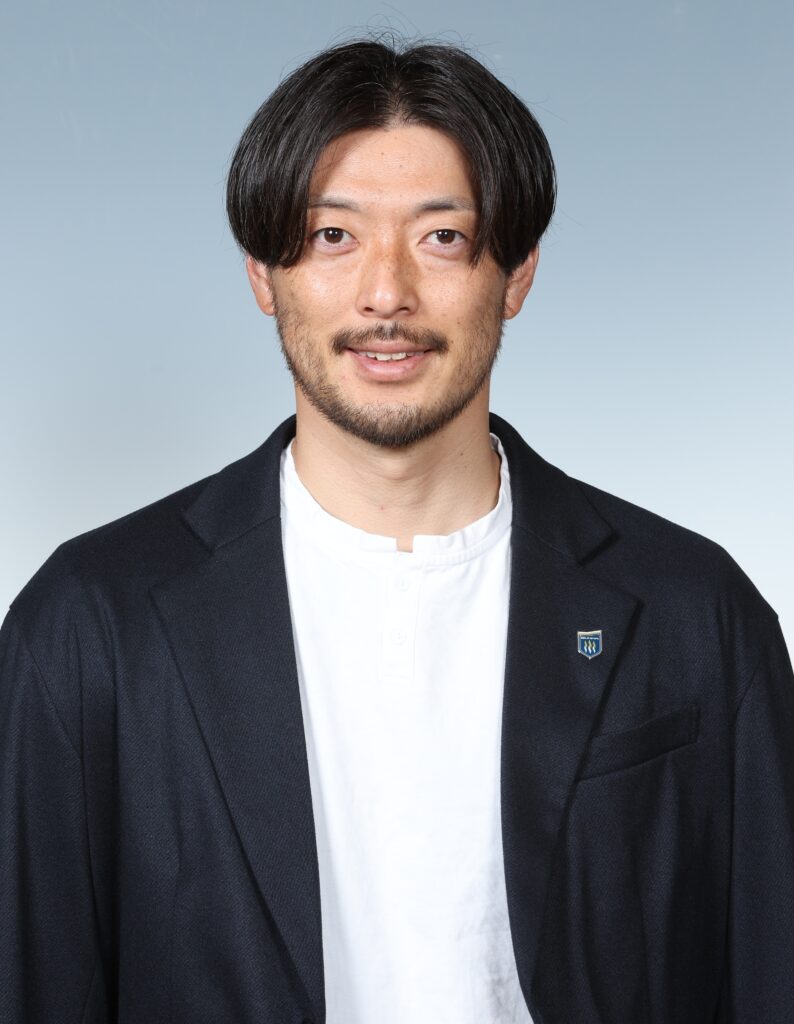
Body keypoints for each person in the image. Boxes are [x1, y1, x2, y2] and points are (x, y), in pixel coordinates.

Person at [1, 36, 792, 1024]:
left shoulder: (694, 612)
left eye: (441, 237)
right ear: (264, 273)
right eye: (333, 235)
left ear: (517, 274)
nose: (386, 293)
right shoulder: (88, 627)